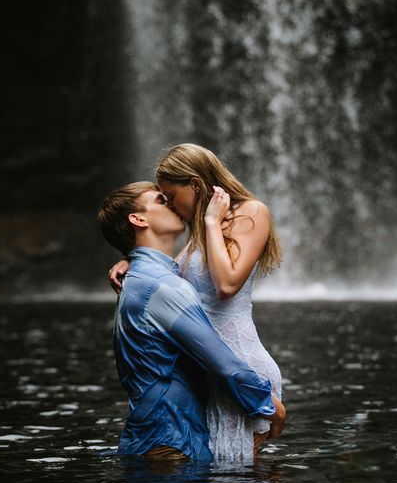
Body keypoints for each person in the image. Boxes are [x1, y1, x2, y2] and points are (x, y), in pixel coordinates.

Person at [109, 144, 283, 461]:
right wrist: (132, 261)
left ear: (195, 184)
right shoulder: (197, 232)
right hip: (211, 370)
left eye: (171, 197)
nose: (173, 207)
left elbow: (227, 284)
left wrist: (213, 223)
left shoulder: (250, 212)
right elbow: (175, 283)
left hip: (239, 365)